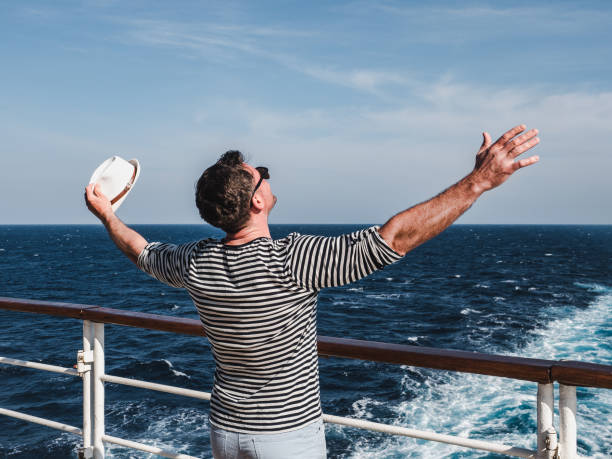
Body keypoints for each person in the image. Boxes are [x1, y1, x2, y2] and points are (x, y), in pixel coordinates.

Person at [85, 124, 539, 458]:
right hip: (286, 439)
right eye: (260, 173)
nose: (266, 174)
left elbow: (142, 251)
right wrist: (479, 181)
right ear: (257, 201)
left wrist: (107, 214)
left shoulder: (195, 262)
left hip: (226, 430)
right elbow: (394, 238)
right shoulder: (293, 260)